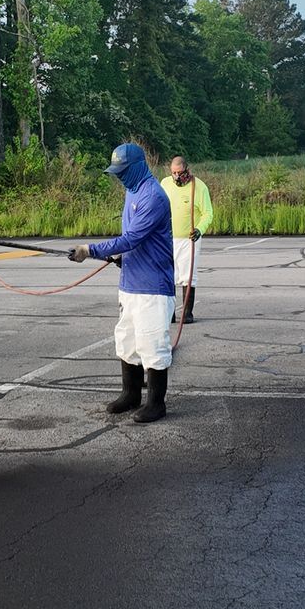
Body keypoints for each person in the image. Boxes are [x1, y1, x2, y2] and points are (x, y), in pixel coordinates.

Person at [70, 143, 176, 423]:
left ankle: (156, 404)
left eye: (124, 171)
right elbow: (129, 240)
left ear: (139, 166)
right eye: (117, 172)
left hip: (152, 286)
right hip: (130, 282)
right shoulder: (132, 191)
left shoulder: (153, 195)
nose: (120, 176)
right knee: (127, 341)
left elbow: (132, 238)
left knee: (152, 345)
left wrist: (90, 249)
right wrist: (118, 255)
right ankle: (131, 394)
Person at [165, 156, 213, 323]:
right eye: (174, 173)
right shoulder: (165, 184)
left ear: (187, 170)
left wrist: (199, 229)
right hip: (168, 238)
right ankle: (168, 313)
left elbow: (208, 213)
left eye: (180, 173)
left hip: (189, 239)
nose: (177, 177)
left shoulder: (198, 187)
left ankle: (187, 313)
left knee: (187, 275)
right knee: (168, 274)